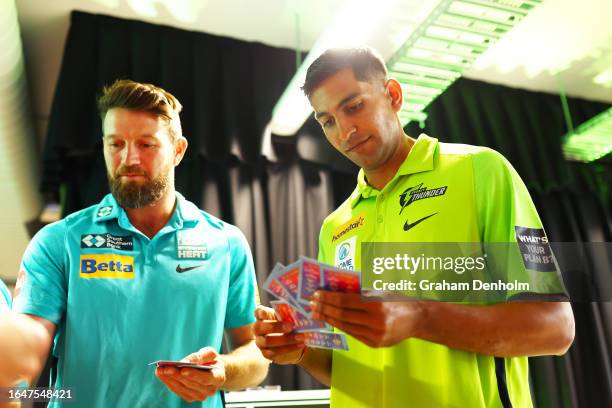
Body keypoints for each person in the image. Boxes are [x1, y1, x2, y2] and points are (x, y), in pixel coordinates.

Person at [254, 47, 575, 407]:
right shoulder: (335, 226)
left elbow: (555, 328)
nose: (344, 131)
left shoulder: (480, 170)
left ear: (393, 95)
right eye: (327, 120)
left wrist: (418, 317)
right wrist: (298, 350)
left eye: (354, 106)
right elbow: (346, 365)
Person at [11, 80, 269, 407]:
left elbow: (256, 356)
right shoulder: (59, 241)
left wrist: (224, 369)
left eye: (146, 144)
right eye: (115, 143)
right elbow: (22, 363)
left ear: (178, 151)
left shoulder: (225, 242)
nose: (129, 158)